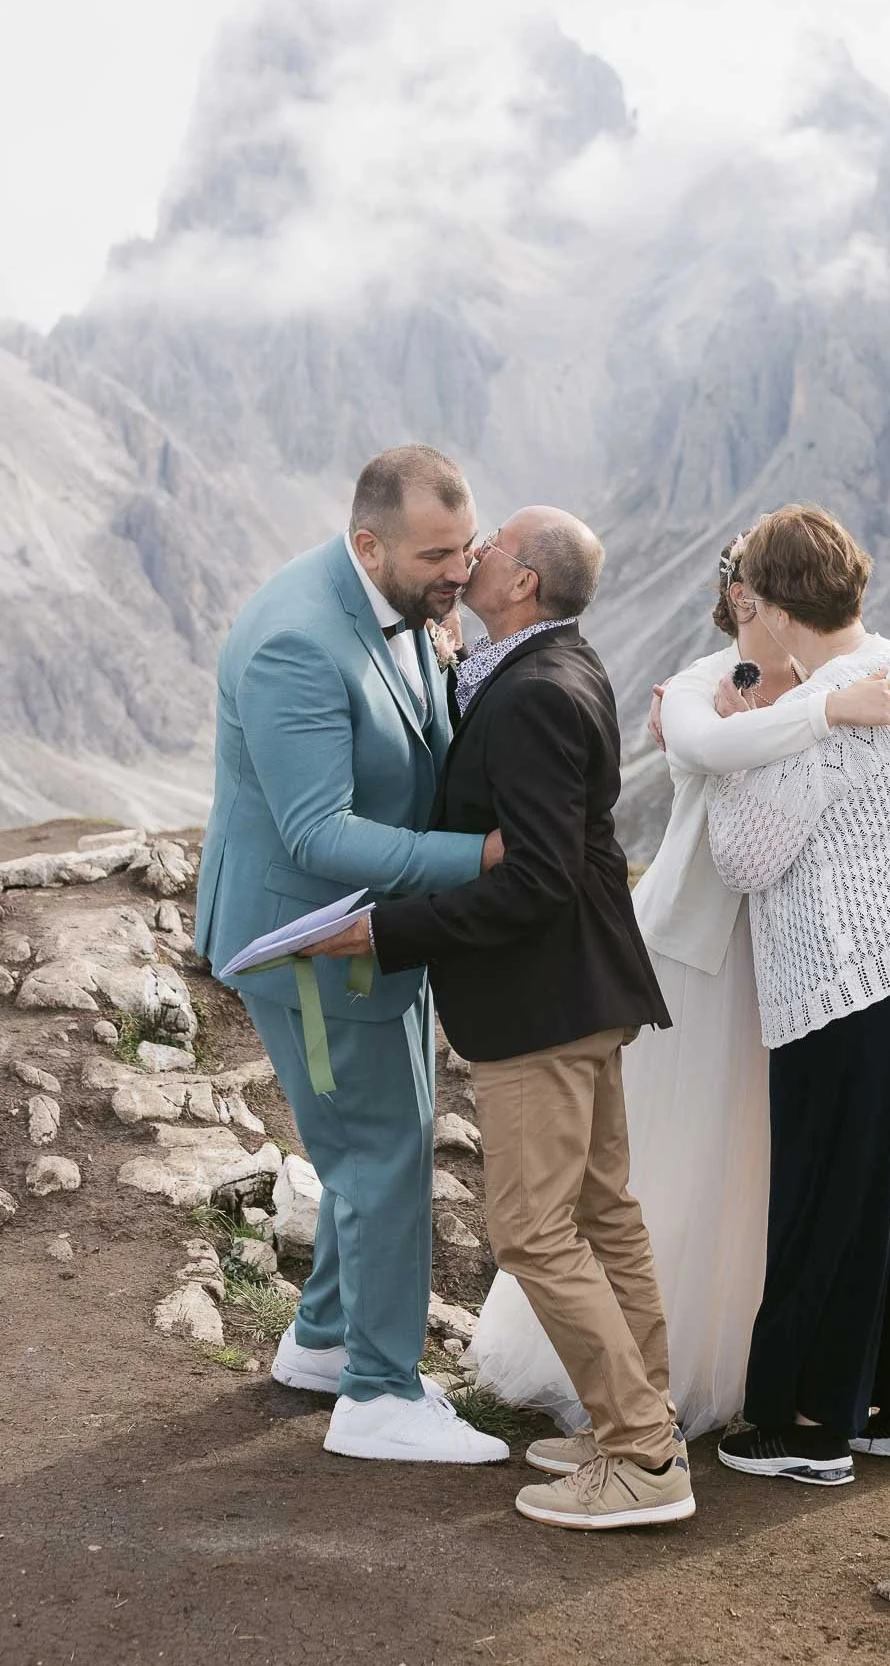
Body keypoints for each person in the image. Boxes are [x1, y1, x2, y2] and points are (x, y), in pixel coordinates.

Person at [465, 532, 890, 1439]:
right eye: (745, 604)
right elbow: (704, 745)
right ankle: (640, 1379)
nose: (752, 616)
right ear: (740, 608)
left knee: (758, 1163)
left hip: (783, 962)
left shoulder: (848, 683)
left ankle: (744, 1361)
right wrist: (827, 711)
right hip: (693, 951)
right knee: (664, 1159)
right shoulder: (701, 685)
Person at [307, 507, 694, 1531]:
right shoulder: (554, 667)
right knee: (604, 1216)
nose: (470, 557)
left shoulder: (532, 697)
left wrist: (395, 931)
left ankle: (644, 1458)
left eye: (489, 549)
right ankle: (646, 1418)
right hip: (586, 989)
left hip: (544, 1004)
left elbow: (535, 880)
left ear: (522, 583)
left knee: (530, 1229)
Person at [194, 445, 509, 1467]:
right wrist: (484, 858)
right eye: (437, 555)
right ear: (368, 542)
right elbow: (315, 834)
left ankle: (324, 1343)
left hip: (367, 935)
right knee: (378, 1151)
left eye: (466, 547)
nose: (459, 571)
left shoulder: (400, 599)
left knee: (382, 1139)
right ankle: (378, 1395)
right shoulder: (296, 641)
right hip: (310, 945)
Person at [710, 505, 890, 1486]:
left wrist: (739, 750)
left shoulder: (824, 708)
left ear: (779, 606)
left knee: (828, 1199)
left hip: (850, 986)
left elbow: (744, 857)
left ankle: (805, 1426)